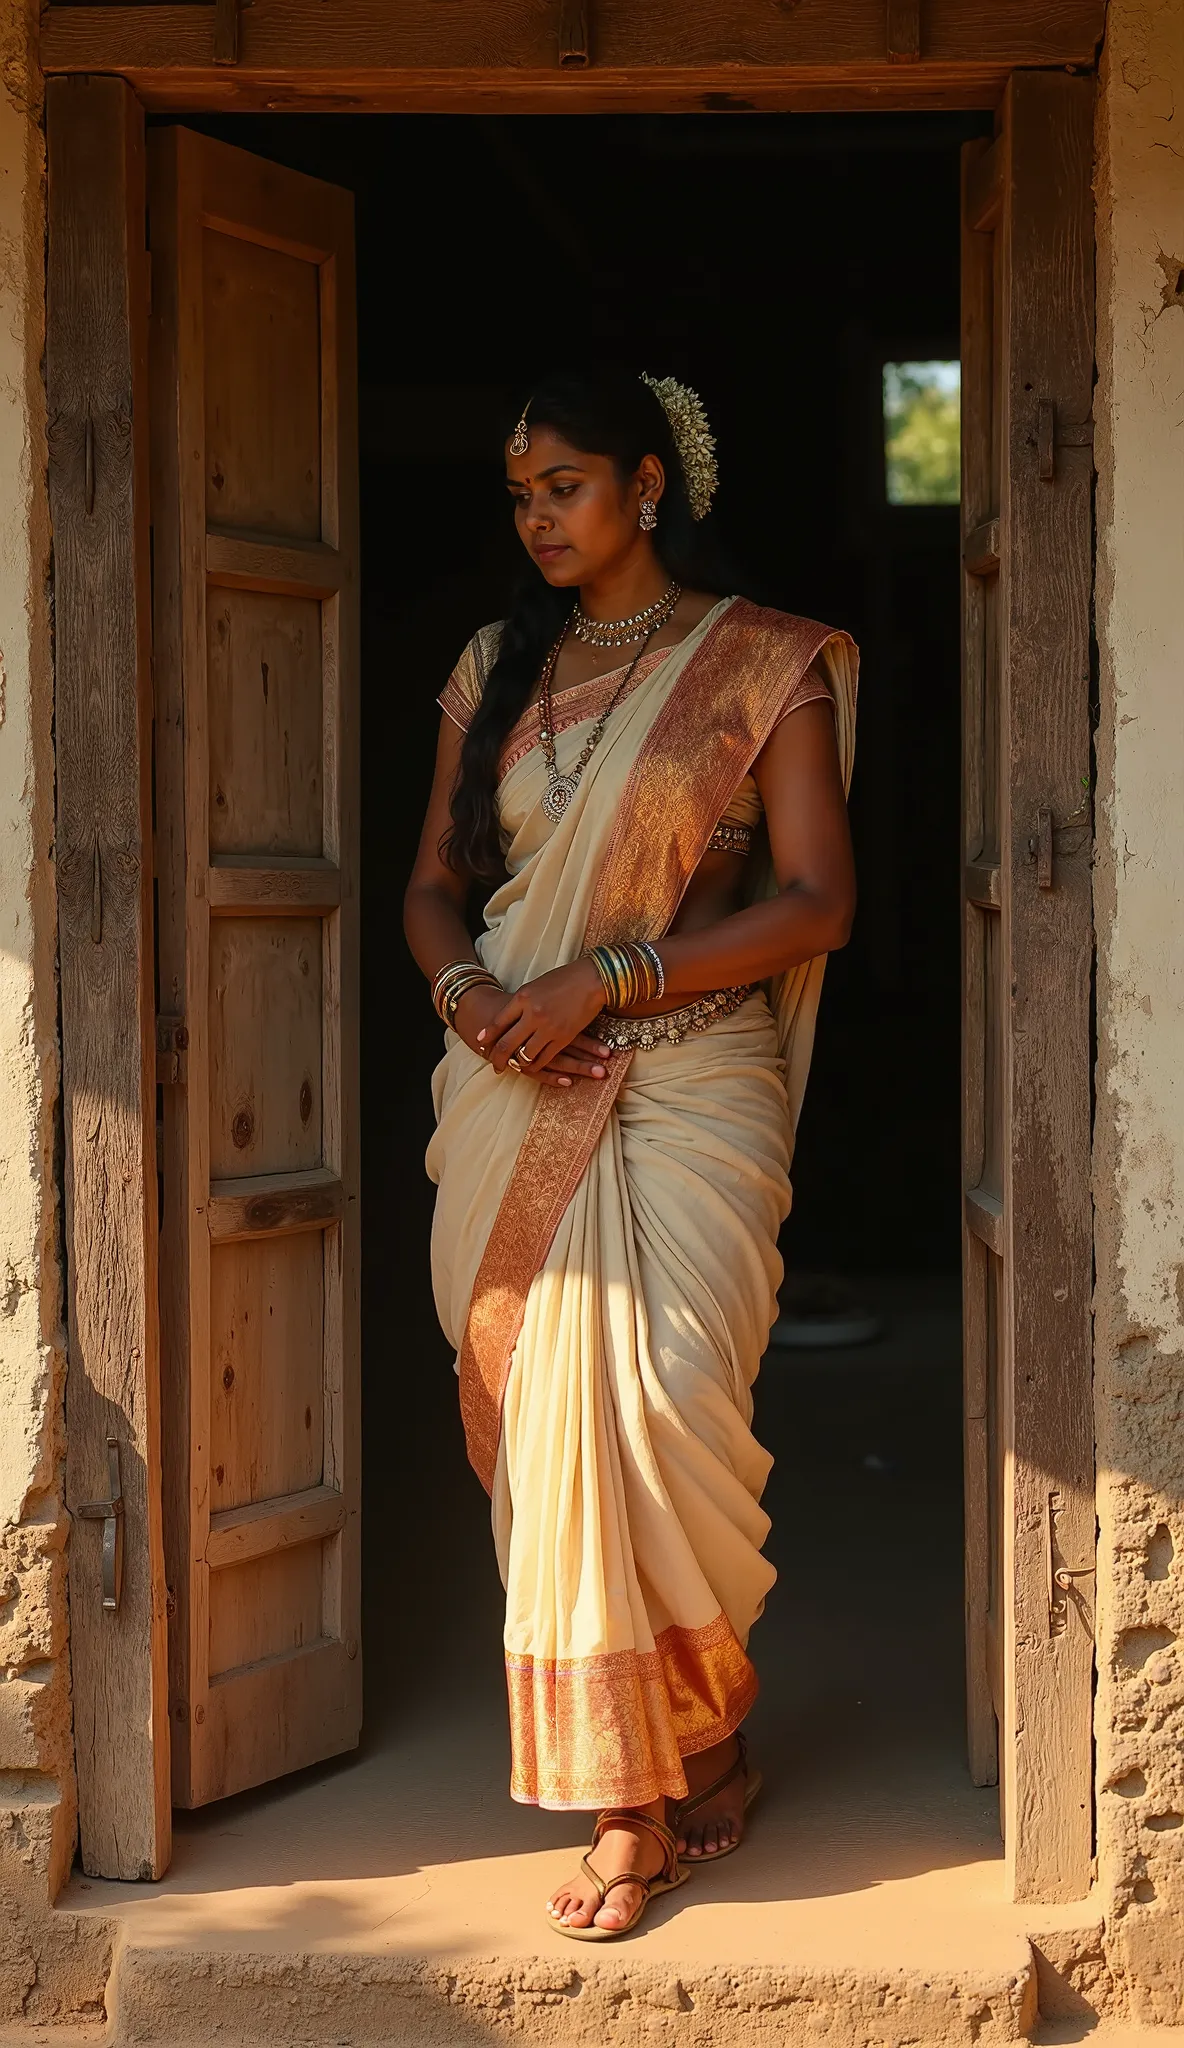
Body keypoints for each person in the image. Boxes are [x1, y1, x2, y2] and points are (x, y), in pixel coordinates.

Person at [404, 368, 857, 1939]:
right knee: (544, 1408)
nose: (537, 516)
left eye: (568, 486)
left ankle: (694, 1730)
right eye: (521, 491)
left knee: (660, 1398)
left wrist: (611, 977)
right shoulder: (491, 666)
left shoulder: (760, 664)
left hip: (689, 1082)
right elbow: (430, 894)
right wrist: (471, 999)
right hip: (515, 1085)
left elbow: (815, 901)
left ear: (649, 485)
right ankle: (633, 1792)